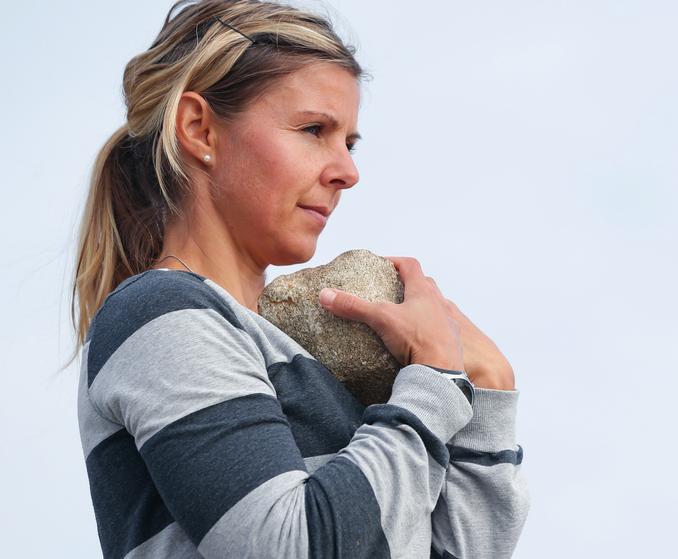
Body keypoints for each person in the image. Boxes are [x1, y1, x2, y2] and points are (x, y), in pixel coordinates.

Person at [69, 1, 530, 557]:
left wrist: (488, 393)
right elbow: (288, 547)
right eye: (314, 130)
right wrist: (433, 378)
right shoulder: (162, 311)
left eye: (349, 143)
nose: (348, 172)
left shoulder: (305, 366)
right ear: (200, 130)